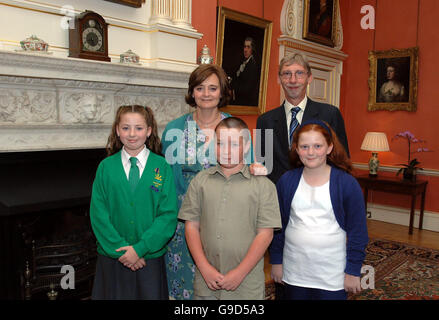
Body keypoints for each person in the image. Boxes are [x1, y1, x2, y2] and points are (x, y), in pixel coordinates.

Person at [179, 117, 282, 299]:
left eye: (234, 144)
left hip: (246, 283)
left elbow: (265, 233)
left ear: (247, 147)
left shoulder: (263, 186)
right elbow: (191, 226)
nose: (226, 151)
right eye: (220, 143)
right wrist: (204, 267)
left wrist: (239, 273)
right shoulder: (200, 181)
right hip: (206, 281)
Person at [270, 119, 368, 300]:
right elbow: (278, 225)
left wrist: (353, 270)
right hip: (294, 273)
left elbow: (358, 232)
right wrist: (276, 260)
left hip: (332, 276)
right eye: (305, 146)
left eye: (317, 146)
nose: (311, 152)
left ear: (329, 147)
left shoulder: (346, 184)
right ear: (297, 149)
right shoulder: (287, 181)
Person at [90, 105, 178, 300]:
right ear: (117, 131)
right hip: (113, 259)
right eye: (125, 128)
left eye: (138, 128)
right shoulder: (106, 167)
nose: (132, 134)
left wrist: (140, 249)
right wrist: (121, 250)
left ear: (148, 131)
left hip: (149, 259)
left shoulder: (161, 167)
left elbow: (168, 215)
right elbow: (98, 214)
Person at [161, 64, 234, 300]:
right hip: (182, 222)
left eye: (212, 88)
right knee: (183, 289)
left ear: (221, 92)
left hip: (222, 220)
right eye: (200, 88)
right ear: (192, 92)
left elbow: (246, 173)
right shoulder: (175, 129)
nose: (206, 94)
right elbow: (163, 177)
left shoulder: (234, 127)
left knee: (218, 286)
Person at [256, 53, 349, 185]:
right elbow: (263, 166)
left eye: (299, 73)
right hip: (278, 198)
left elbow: (341, 163)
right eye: (286, 74)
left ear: (309, 78)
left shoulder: (330, 115)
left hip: (319, 197)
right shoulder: (265, 121)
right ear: (279, 79)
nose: (293, 80)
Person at [231, 37, 260, 106]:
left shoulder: (253, 65)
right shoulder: (243, 62)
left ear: (252, 49)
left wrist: (233, 92)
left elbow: (248, 88)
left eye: (248, 47)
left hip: (245, 102)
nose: (245, 50)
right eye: (244, 47)